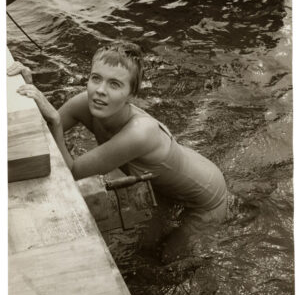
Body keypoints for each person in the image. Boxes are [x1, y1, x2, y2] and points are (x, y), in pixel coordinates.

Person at [7, 41, 229, 263]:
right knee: (144, 249)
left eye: (114, 84)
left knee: (168, 260)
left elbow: (71, 172)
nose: (100, 91)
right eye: (96, 78)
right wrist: (28, 88)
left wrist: (55, 120)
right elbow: (41, 132)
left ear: (131, 94)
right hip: (164, 187)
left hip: (208, 199)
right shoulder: (84, 103)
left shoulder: (139, 133)